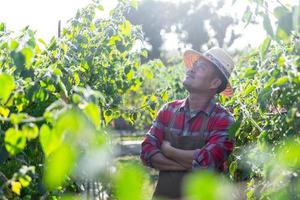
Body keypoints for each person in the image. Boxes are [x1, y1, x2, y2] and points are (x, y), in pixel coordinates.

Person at [140, 47, 236, 200]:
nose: (191, 69)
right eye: (195, 64)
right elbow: (146, 152)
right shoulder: (168, 110)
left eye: (201, 67)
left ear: (215, 82)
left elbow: (209, 160)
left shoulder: (224, 120)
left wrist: (168, 151)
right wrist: (192, 164)